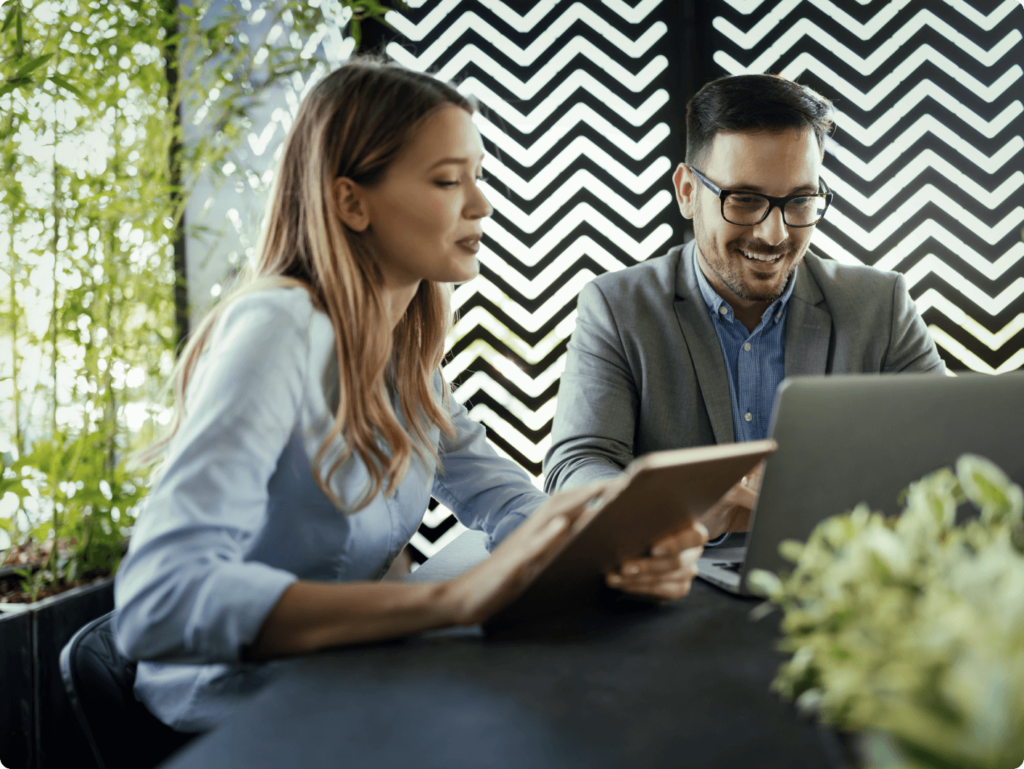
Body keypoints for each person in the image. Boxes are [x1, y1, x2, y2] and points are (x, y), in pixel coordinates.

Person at [113, 59, 707, 734]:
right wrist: (452, 599)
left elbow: (507, 500)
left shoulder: (403, 353)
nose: (480, 204)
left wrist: (607, 552)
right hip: (242, 713)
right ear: (350, 201)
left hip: (348, 677)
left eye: (477, 177)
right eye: (449, 180)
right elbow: (159, 598)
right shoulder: (278, 329)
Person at [543, 74, 945, 541]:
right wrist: (674, 514)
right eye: (746, 200)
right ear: (688, 192)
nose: (774, 235)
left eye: (799, 201)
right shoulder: (617, 306)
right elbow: (577, 465)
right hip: (679, 583)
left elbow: (947, 455)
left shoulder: (882, 305)